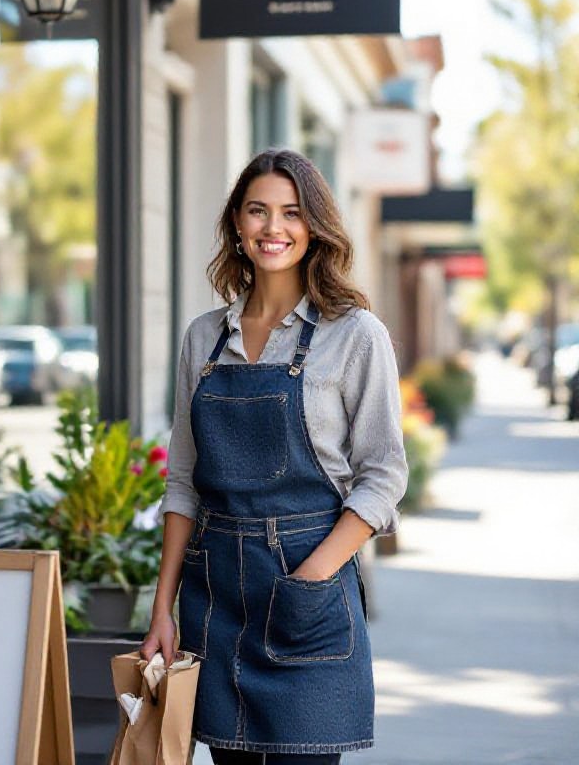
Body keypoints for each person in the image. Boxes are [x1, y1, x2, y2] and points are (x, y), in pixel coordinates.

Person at [141, 148, 409, 764]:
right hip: (217, 602)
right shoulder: (203, 337)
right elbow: (183, 483)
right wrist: (163, 608)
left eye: (291, 213)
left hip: (307, 591)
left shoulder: (355, 334)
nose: (274, 228)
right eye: (258, 211)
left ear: (314, 227)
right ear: (236, 222)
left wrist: (310, 578)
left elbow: (383, 476)